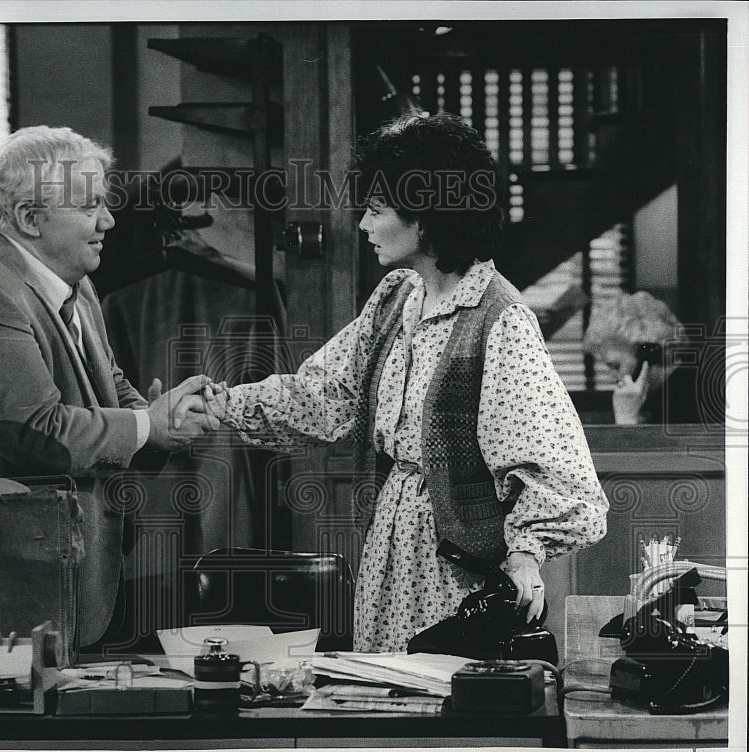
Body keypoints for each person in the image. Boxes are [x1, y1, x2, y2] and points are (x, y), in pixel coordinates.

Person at [208, 113, 609, 653]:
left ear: (426, 217)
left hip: (454, 569)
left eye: (376, 211)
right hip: (389, 546)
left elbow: (554, 468)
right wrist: (220, 404)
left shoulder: (499, 318)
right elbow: (325, 395)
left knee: (438, 710)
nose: (363, 226)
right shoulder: (397, 297)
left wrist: (526, 553)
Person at [0, 125, 218, 647]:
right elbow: (35, 434)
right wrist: (148, 425)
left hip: (58, 576)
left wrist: (166, 421)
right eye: (89, 206)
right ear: (30, 219)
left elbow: (110, 390)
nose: (108, 221)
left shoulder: (75, 283)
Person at [583, 291, 703, 425]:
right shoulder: (659, 394)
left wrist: (626, 418)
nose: (611, 377)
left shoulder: (690, 400)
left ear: (648, 355)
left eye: (616, 366)